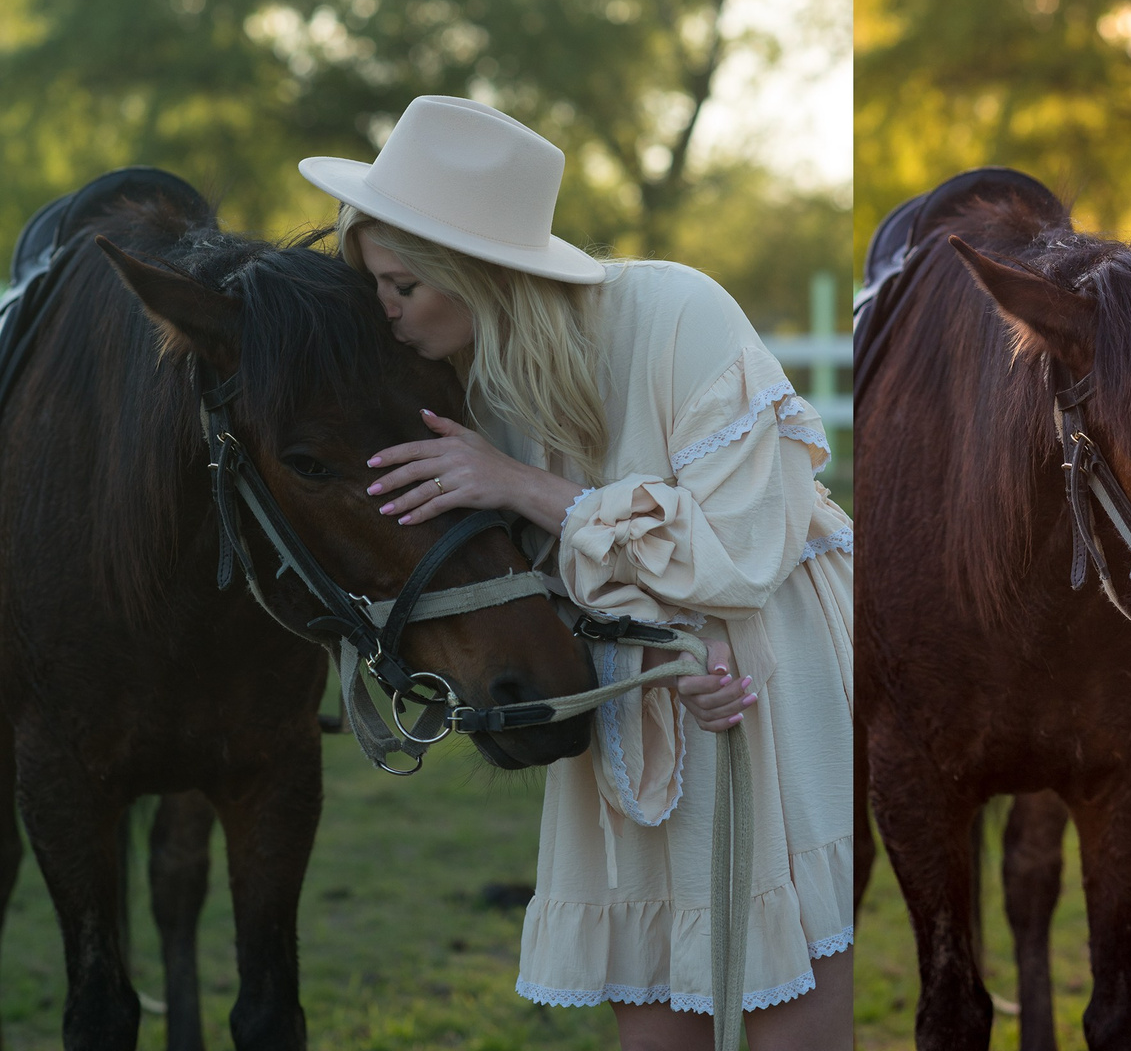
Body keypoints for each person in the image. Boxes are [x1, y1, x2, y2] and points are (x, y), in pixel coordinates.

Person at [296, 95, 854, 1049]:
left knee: (791, 1019)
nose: (382, 308)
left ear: (467, 271)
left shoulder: (676, 311)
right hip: (631, 679)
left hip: (769, 660)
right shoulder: (463, 377)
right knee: (652, 1024)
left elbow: (739, 552)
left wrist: (516, 484)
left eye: (397, 283)